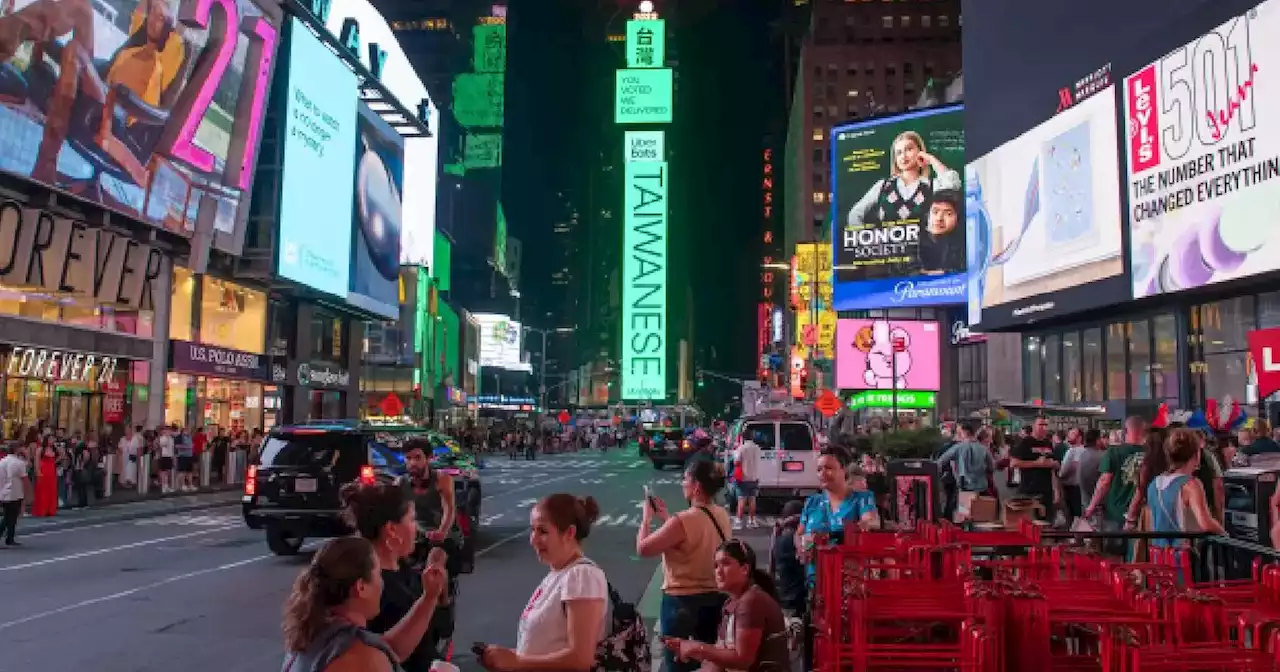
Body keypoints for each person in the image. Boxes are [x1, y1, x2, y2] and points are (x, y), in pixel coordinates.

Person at [479, 494, 608, 672]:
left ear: (569, 533)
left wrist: (517, 662)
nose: (533, 539)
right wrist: (507, 659)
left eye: (543, 531)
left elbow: (580, 659)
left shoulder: (581, 576)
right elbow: (547, 647)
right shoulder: (557, 574)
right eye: (533, 530)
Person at [339, 481, 448, 672]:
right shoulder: (376, 592)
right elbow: (392, 651)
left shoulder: (403, 570)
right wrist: (430, 598)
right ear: (391, 529)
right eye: (412, 520)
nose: (417, 528)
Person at [636, 459, 732, 672]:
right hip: (715, 598)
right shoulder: (722, 514)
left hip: (682, 604)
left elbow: (643, 549)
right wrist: (666, 518)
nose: (682, 483)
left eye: (685, 479)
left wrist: (646, 519)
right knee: (708, 661)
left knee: (678, 663)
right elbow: (691, 541)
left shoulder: (683, 520)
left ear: (696, 486)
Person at [795, 447, 878, 672]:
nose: (823, 473)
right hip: (817, 579)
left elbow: (871, 522)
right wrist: (801, 546)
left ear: (844, 471)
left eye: (829, 468)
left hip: (851, 582)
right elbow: (800, 533)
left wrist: (838, 534)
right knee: (820, 634)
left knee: (851, 636)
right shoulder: (812, 502)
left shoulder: (862, 499)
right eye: (820, 469)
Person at [665, 539, 790, 672]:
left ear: (744, 569)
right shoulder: (731, 603)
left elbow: (743, 660)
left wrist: (697, 648)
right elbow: (721, 658)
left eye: (725, 563)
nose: (718, 571)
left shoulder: (752, 601)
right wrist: (694, 651)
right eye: (715, 566)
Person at [283, 537, 401, 672]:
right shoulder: (364, 658)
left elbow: (392, 647)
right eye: (379, 574)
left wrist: (429, 597)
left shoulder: (312, 638)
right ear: (361, 587)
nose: (382, 582)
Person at [1147, 429, 1226, 548]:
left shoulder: (1154, 483)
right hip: (1184, 555)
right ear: (1195, 454)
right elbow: (1205, 523)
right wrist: (1225, 534)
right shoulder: (1191, 484)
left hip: (1159, 553)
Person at [1084, 417, 1149, 556]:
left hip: (1117, 511)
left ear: (1125, 431)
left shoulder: (1114, 452)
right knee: (1140, 554)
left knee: (1115, 555)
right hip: (1144, 513)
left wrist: (1091, 506)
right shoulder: (1152, 453)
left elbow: (1104, 481)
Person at [933, 421, 993, 522]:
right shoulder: (984, 448)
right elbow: (991, 467)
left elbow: (940, 462)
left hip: (964, 486)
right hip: (981, 487)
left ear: (963, 432)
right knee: (980, 517)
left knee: (964, 516)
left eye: (959, 432)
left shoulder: (958, 448)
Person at [1009, 417, 1059, 520]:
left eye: (1045, 425)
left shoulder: (1048, 443)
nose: (1044, 428)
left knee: (1047, 522)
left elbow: (1053, 469)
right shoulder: (1025, 442)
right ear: (1033, 426)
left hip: (1046, 492)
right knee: (1031, 522)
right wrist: (1036, 463)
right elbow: (1013, 463)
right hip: (1029, 491)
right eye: (1041, 425)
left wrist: (1056, 490)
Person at [1060, 429, 1105, 521]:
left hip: (1082, 496)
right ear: (1097, 440)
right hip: (1098, 500)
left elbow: (1062, 473)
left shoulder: (1078, 453)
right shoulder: (1102, 456)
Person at [0, 443, 30, 546]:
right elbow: (24, 479)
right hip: (14, 492)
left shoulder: (3, 461)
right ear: (17, 449)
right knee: (9, 517)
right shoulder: (19, 463)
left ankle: (10, 537)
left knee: (9, 516)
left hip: (4, 492)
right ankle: (9, 537)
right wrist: (26, 495)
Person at [733, 431, 763, 530]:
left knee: (741, 500)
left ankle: (739, 521)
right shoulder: (757, 448)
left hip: (743, 478)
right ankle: (752, 521)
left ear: (743, 438)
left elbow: (736, 462)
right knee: (752, 500)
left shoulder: (741, 448)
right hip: (754, 478)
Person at [31, 440, 58, 517]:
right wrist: (38, 471)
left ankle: (50, 510)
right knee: (42, 490)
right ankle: (42, 510)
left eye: (53, 439)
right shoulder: (40, 449)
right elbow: (36, 461)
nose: (51, 441)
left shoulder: (54, 449)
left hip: (52, 471)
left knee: (51, 490)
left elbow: (61, 456)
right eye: (50, 439)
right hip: (43, 470)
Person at [156, 425, 175, 493]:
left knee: (168, 472)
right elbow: (161, 445)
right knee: (163, 472)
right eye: (168, 430)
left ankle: (166, 486)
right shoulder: (163, 438)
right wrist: (165, 437)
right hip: (163, 456)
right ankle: (163, 486)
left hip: (169, 457)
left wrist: (172, 457)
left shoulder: (171, 439)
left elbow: (172, 449)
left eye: (170, 430)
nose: (169, 431)